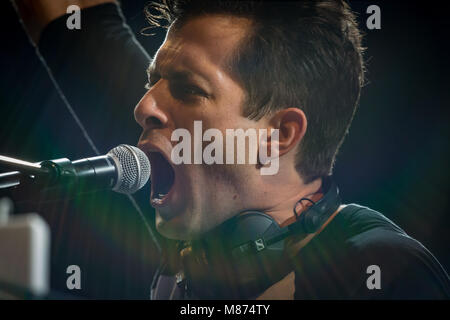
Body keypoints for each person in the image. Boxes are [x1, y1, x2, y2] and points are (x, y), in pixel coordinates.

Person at [16, 0, 450, 299]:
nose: (143, 106)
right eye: (154, 81)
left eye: (188, 89)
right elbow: (66, 16)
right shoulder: (192, 186)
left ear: (278, 136)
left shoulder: (383, 274)